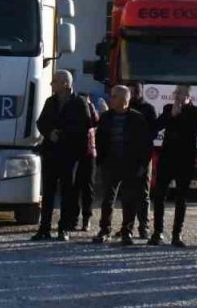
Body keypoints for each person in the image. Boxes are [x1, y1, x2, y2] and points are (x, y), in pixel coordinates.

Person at [33, 70, 92, 241]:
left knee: (68, 193)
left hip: (70, 155)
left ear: (65, 84)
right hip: (51, 153)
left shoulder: (80, 103)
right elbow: (41, 122)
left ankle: (63, 228)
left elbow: (85, 127)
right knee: (48, 192)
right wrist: (50, 133)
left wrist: (64, 135)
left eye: (55, 81)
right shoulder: (50, 102)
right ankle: (44, 228)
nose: (52, 84)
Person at [93, 85, 152, 245]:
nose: (110, 99)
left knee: (129, 199)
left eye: (113, 96)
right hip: (110, 163)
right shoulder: (106, 117)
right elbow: (99, 140)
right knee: (107, 199)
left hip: (130, 164)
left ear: (123, 99)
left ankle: (127, 231)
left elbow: (145, 144)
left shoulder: (137, 118)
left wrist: (142, 165)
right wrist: (101, 162)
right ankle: (104, 230)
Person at [148, 84, 197, 246]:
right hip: (167, 158)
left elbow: (191, 131)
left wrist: (177, 116)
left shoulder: (196, 112)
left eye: (181, 93)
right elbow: (156, 127)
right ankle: (157, 232)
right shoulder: (167, 109)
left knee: (181, 197)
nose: (177, 96)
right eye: (176, 93)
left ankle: (176, 234)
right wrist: (170, 115)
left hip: (185, 159)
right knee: (159, 195)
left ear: (188, 96)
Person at [125, 81, 158, 239]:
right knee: (127, 194)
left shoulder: (148, 109)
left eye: (136, 91)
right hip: (126, 156)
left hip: (143, 156)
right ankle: (127, 227)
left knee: (143, 195)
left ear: (141, 91)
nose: (134, 94)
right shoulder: (124, 109)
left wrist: (144, 161)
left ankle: (144, 227)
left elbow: (151, 135)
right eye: (131, 92)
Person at [74, 95, 100, 231]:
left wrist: (90, 105)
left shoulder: (90, 113)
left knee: (87, 187)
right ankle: (75, 217)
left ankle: (86, 218)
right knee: (75, 187)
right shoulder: (74, 113)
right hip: (76, 154)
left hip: (89, 154)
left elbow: (95, 122)